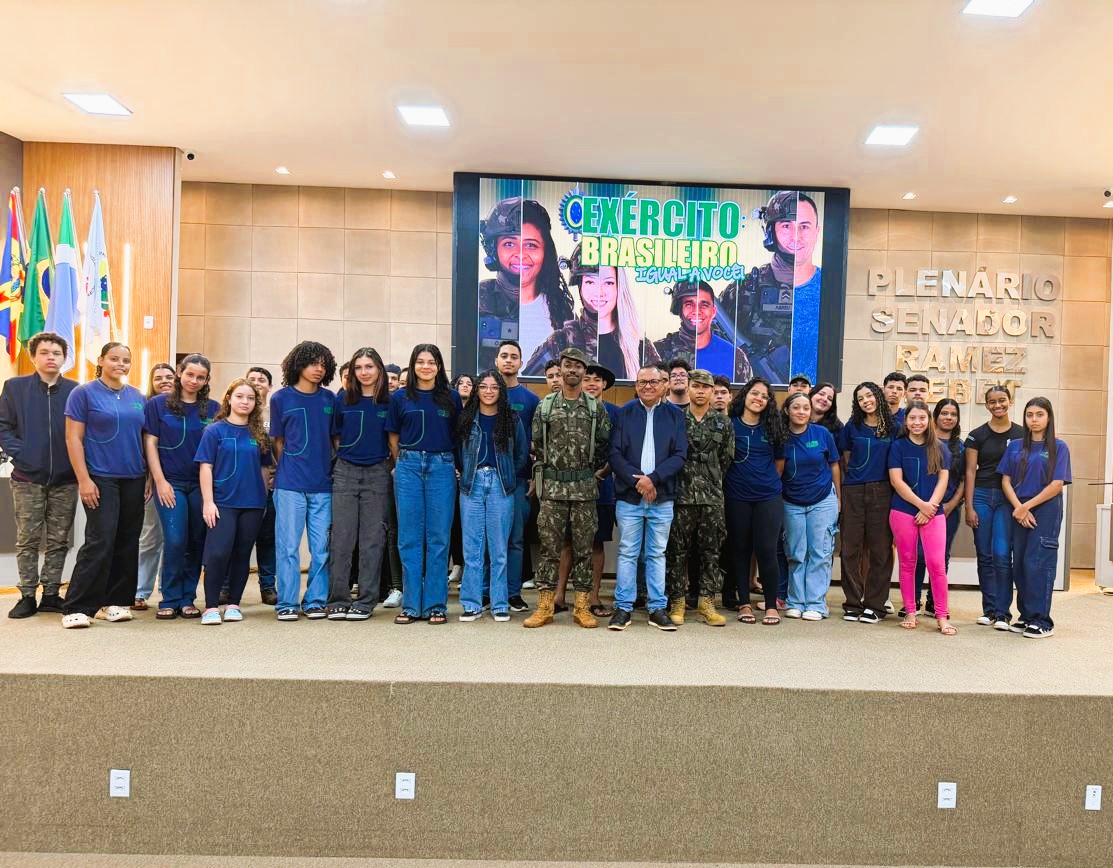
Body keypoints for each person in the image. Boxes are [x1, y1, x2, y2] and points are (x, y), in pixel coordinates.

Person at [60, 342, 147, 628]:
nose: (120, 364)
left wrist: (147, 477)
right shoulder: (83, 393)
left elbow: (144, 439)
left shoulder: (137, 396)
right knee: (101, 539)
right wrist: (84, 479)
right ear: (100, 360)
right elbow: (73, 438)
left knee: (127, 540)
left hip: (134, 476)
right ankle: (77, 605)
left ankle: (115, 601)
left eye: (126, 360)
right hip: (100, 476)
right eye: (114, 359)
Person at [525, 347, 611, 628]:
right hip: (553, 490)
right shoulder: (545, 406)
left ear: (584, 371)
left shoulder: (595, 408)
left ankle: (582, 607)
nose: (572, 370)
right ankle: (545, 606)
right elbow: (537, 445)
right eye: (568, 365)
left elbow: (604, 446)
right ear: (560, 369)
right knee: (549, 549)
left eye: (578, 365)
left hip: (584, 490)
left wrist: (589, 473)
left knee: (585, 550)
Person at [0, 332, 78, 619]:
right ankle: (27, 595)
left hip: (65, 479)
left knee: (59, 540)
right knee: (28, 539)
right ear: (33, 357)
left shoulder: (75, 391)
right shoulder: (15, 387)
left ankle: (51, 593)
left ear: (64, 358)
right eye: (44, 352)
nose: (50, 358)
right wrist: (22, 453)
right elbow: (3, 426)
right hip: (27, 478)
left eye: (56, 353)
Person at [608, 363, 687, 632]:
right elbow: (615, 454)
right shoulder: (624, 413)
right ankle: (623, 608)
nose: (648, 387)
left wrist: (653, 479)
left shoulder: (675, 416)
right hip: (629, 497)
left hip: (662, 497)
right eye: (642, 382)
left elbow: (680, 455)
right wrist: (639, 482)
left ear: (664, 385)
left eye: (653, 382)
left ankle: (657, 608)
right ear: (636, 386)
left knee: (656, 554)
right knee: (628, 552)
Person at [387, 343, 462, 625]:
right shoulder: (400, 397)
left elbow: (457, 435)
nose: (426, 367)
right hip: (408, 467)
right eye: (420, 362)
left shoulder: (451, 397)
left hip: (442, 467)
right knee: (409, 537)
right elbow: (393, 436)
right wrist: (402, 463)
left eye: (431, 362)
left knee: (438, 537)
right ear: (413, 365)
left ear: (439, 366)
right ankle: (410, 605)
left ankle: (435, 605)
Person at [717, 191, 822, 384]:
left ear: (817, 231)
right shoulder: (743, 289)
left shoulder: (828, 290)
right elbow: (713, 344)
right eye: (786, 226)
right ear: (770, 231)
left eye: (804, 226)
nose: (796, 236)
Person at [143, 354, 219, 620]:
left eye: (201, 377)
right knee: (175, 540)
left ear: (207, 380)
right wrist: (159, 481)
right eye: (190, 375)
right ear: (179, 373)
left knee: (196, 541)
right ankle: (170, 597)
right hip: (170, 482)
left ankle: (188, 598)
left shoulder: (214, 409)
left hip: (201, 485)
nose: (194, 381)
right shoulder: (157, 404)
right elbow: (150, 443)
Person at [195, 379, 272, 625]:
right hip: (222, 503)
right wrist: (208, 502)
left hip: (253, 504)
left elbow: (265, 469)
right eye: (239, 396)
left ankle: (233, 605)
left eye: (250, 398)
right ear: (229, 398)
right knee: (218, 554)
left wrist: (263, 498)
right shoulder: (214, 431)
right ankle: (210, 607)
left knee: (242, 554)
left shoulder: (259, 434)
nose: (245, 402)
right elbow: (205, 467)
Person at [270, 341, 337, 621]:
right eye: (312, 363)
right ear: (298, 365)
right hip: (289, 485)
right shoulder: (280, 399)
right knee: (288, 547)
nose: (318, 369)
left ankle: (315, 600)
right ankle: (287, 602)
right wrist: (289, 469)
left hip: (323, 485)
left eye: (323, 364)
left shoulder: (330, 399)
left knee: (321, 548)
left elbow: (335, 441)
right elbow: (278, 442)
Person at [523, 242, 659, 377]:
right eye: (590, 282)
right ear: (580, 287)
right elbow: (530, 385)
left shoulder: (641, 348)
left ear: (619, 287)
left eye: (608, 282)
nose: (599, 292)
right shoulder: (561, 342)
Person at [456, 370, 529, 621]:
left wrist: (507, 475)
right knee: (472, 548)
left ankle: (499, 604)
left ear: (501, 391)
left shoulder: (512, 419)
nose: (489, 391)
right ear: (477, 390)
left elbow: (521, 454)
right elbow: (459, 452)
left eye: (494, 387)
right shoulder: (466, 418)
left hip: (501, 485)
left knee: (499, 548)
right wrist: (467, 471)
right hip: (472, 484)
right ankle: (472, 604)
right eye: (484, 387)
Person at [326, 347, 392, 621]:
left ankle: (366, 600)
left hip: (378, 473)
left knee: (372, 540)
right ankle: (338, 599)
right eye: (358, 367)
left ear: (379, 370)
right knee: (341, 538)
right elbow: (336, 438)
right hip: (345, 472)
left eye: (369, 367)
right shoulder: (342, 399)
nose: (364, 372)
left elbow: (393, 439)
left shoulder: (390, 402)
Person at [998, 397, 1071, 639]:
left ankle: (1042, 621)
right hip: (1019, 508)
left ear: (1049, 417)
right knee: (1020, 562)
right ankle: (1026, 616)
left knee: (1037, 562)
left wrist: (1026, 507)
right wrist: (1019, 507)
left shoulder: (1059, 447)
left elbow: (1057, 484)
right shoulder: (1015, 445)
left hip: (1046, 509)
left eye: (1039, 414)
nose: (1034, 419)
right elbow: (1005, 479)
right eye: (1029, 415)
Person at [665, 369, 732, 627]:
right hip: (681, 495)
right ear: (689, 389)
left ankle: (707, 602)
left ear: (712, 391)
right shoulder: (676, 418)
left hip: (712, 497)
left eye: (706, 387)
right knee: (677, 551)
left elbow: (726, 458)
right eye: (696, 386)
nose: (701, 391)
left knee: (711, 551)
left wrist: (709, 479)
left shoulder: (723, 422)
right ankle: (678, 601)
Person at [477, 197, 575, 369]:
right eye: (509, 244)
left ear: (545, 251)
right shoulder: (479, 299)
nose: (521, 254)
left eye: (531, 245)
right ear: (494, 250)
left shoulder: (560, 307)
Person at [887, 400, 956, 635]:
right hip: (903, 510)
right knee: (907, 562)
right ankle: (910, 611)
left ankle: (942, 616)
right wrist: (921, 505)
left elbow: (943, 481)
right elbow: (896, 481)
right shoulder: (897, 446)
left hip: (933, 513)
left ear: (929, 420)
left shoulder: (940, 448)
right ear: (906, 421)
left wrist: (930, 507)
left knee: (937, 564)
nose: (917, 422)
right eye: (912, 418)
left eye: (922, 418)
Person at [723, 376, 787, 624]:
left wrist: (764, 483)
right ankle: (744, 604)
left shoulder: (772, 428)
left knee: (766, 550)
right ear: (745, 395)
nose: (759, 398)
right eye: (755, 393)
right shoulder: (729, 425)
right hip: (736, 497)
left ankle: (771, 605)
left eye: (764, 396)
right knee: (740, 550)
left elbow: (779, 464)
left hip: (767, 497)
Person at [964, 385, 1024, 628]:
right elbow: (970, 471)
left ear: (1010, 401)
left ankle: (1003, 613)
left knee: (1001, 554)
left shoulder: (1022, 434)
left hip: (1007, 498)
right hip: (981, 496)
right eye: (992, 401)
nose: (997, 405)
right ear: (986, 404)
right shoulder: (976, 435)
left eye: (1002, 400)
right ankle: (989, 610)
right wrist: (969, 506)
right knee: (985, 554)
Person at [837, 381, 896, 623]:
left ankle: (875, 605)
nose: (866, 401)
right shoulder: (852, 426)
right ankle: (853, 603)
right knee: (850, 549)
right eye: (860, 398)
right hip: (853, 490)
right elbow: (846, 458)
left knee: (880, 550)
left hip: (882, 491)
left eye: (869, 395)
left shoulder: (894, 427)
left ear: (878, 396)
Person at [780, 392, 840, 620]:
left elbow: (834, 465)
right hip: (791, 501)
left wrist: (838, 498)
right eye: (796, 407)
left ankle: (816, 604)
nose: (802, 412)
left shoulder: (822, 434)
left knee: (820, 552)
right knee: (796, 553)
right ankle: (795, 601)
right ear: (787, 410)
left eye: (806, 408)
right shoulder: (780, 436)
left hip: (822, 499)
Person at [495, 339, 540, 612]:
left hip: (519, 479)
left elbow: (537, 445)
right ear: (496, 361)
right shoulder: (484, 393)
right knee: (489, 540)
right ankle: (488, 592)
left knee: (515, 539)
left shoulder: (531, 400)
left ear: (521, 363)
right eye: (504, 356)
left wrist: (534, 477)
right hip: (488, 479)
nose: (509, 360)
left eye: (514, 356)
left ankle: (513, 593)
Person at [912, 399, 965, 616]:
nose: (948, 417)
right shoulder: (921, 442)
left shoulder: (961, 447)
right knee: (917, 555)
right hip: (919, 506)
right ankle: (913, 599)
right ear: (935, 416)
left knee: (941, 556)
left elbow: (964, 480)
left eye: (953, 414)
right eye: (944, 413)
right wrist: (924, 505)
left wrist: (951, 504)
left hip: (948, 508)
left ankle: (934, 602)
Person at [134, 363, 175, 610]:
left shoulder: (185, 407)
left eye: (169, 376)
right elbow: (146, 446)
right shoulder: (145, 408)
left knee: (174, 539)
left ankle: (168, 592)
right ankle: (140, 590)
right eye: (158, 378)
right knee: (150, 536)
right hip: (150, 481)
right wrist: (150, 479)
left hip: (180, 482)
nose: (164, 381)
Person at [652, 281, 752, 382]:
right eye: (689, 304)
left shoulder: (735, 357)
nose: (697, 311)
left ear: (713, 311)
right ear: (680, 310)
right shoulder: (658, 352)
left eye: (704, 305)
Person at [582, 362, 620, 617]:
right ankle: (560, 595)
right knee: (567, 544)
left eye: (597, 379)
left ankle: (594, 596)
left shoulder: (616, 413)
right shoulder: (569, 408)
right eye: (587, 379)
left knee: (596, 543)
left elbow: (619, 449)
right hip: (571, 488)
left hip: (603, 488)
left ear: (604, 384)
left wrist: (602, 473)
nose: (592, 384)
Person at [244, 366, 278, 606]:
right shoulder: (240, 410)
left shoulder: (275, 413)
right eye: (252, 379)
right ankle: (228, 586)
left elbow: (283, 446)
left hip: (271, 485)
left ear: (269, 386)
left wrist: (279, 474)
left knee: (267, 538)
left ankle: (268, 586)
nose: (257, 383)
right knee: (240, 538)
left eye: (262, 379)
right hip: (242, 485)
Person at [448, 373, 476, 582]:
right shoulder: (450, 410)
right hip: (450, 471)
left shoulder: (477, 412)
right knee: (453, 522)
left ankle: (469, 567)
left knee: (469, 523)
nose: (465, 386)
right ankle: (457, 564)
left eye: (469, 383)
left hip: (471, 474)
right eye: (461, 383)